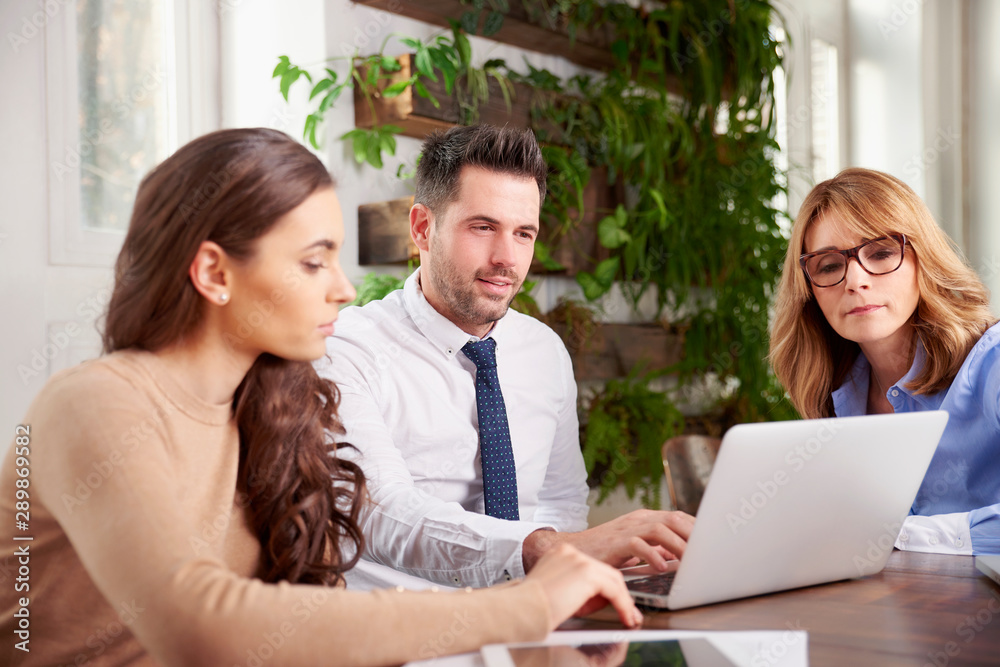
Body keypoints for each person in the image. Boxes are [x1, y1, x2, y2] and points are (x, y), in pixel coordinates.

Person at [0, 128, 646, 667]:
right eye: (314, 261)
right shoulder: (91, 404)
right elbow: (203, 625)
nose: (342, 287)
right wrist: (530, 600)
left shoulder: (265, 405)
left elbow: (307, 606)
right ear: (215, 273)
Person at [318, 124, 694, 592]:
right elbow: (377, 510)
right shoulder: (346, 348)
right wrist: (541, 550)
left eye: (524, 234)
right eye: (483, 227)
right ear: (422, 228)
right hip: (408, 641)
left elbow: (560, 501)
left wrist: (550, 585)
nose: (507, 259)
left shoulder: (544, 350)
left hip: (531, 618)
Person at [769, 167, 1000, 556]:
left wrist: (897, 535)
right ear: (809, 290)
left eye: (880, 253)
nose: (855, 280)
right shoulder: (835, 394)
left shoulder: (992, 363)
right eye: (828, 265)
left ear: (922, 260)